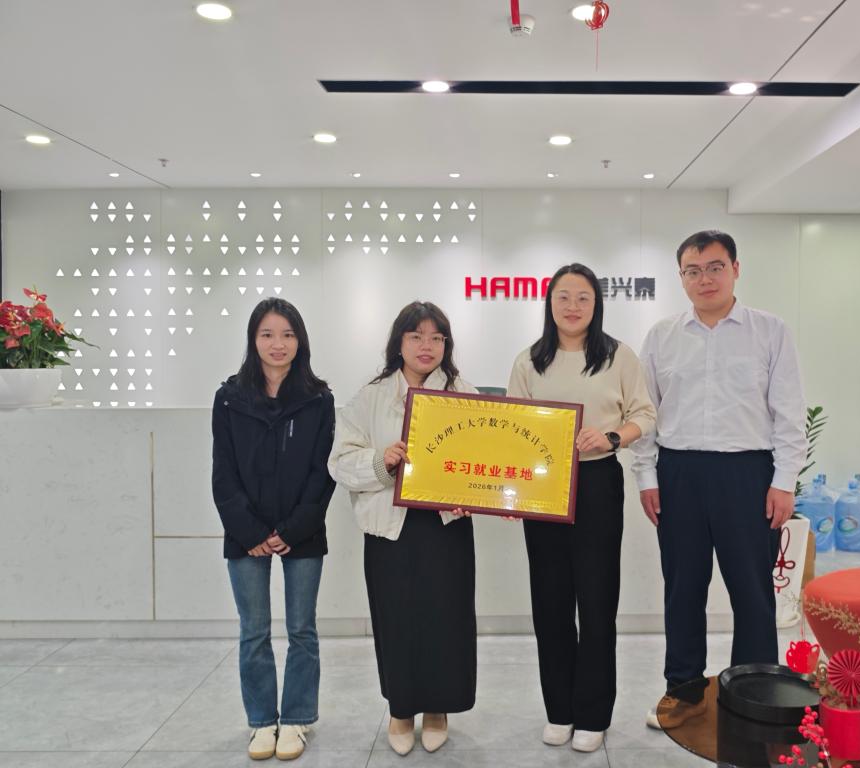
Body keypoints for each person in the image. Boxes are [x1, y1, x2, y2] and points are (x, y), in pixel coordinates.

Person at [631, 230, 807, 727]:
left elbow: (789, 412)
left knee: (752, 592)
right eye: (693, 270)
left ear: (735, 269)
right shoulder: (662, 336)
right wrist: (646, 476)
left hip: (747, 474)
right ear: (681, 277)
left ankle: (753, 698)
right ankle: (683, 691)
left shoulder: (769, 331)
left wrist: (784, 481)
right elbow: (646, 412)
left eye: (714, 267)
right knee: (683, 589)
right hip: (679, 473)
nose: (704, 278)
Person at [507, 263, 657, 752]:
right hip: (542, 487)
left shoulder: (617, 356)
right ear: (549, 303)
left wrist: (612, 436)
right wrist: (511, 491)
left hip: (596, 482)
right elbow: (511, 429)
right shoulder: (529, 361)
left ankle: (593, 715)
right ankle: (560, 710)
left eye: (583, 298)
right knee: (550, 602)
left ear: (597, 304)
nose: (572, 307)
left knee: (596, 601)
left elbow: (644, 414)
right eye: (563, 297)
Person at [328, 301, 477, 756]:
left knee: (446, 618)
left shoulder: (464, 393)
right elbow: (340, 461)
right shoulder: (371, 397)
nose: (426, 346)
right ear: (399, 343)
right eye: (416, 336)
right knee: (396, 620)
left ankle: (437, 709)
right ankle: (400, 710)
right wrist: (381, 461)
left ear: (446, 344)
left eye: (436, 337)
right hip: (390, 529)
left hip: (446, 526)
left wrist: (477, 491)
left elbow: (484, 458)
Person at [212, 297, 336, 761]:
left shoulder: (318, 399)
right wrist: (252, 533)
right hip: (246, 534)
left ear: (300, 340)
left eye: (287, 334)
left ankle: (298, 718)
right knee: (254, 631)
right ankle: (262, 722)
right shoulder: (229, 398)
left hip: (302, 530)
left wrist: (293, 528)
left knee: (302, 629)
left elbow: (322, 473)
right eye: (267, 334)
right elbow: (223, 473)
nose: (277, 344)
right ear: (253, 340)